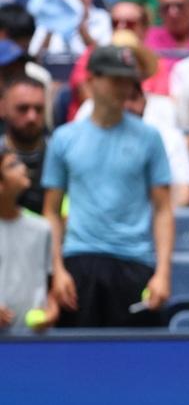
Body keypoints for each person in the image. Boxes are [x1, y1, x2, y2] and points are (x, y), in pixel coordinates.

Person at [42, 44, 172, 328]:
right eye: (115, 79)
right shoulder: (64, 139)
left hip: (135, 261)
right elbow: (51, 210)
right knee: (77, 352)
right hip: (79, 261)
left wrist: (162, 272)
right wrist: (57, 270)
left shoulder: (150, 138)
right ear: (91, 80)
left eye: (128, 80)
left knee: (136, 353)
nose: (124, 88)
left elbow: (163, 209)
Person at [0, 142, 53, 332]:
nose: (23, 167)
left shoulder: (42, 228)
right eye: (12, 165)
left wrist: (52, 312)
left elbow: (51, 285)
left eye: (20, 162)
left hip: (35, 340)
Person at [0, 76, 46, 214]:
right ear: (2, 108)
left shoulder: (61, 155)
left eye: (38, 109)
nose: (32, 117)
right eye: (22, 108)